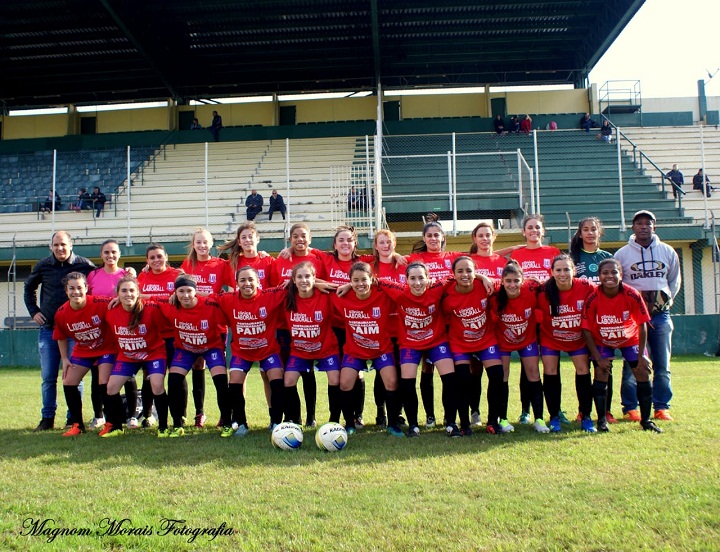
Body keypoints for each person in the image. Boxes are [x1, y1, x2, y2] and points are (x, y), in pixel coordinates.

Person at [376, 262, 460, 437]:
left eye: (421, 277)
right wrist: (347, 285)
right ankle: (413, 425)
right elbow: (375, 280)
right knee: (407, 383)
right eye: (412, 278)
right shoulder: (399, 292)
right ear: (406, 280)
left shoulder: (436, 287)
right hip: (409, 343)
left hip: (437, 341)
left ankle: (451, 423)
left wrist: (482, 277)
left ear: (428, 278)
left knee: (451, 380)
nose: (417, 282)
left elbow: (459, 276)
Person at [24, 231, 95, 431]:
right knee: (48, 377)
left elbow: (101, 279)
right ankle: (47, 418)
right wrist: (33, 312)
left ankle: (73, 418)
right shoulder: (43, 265)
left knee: (74, 375)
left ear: (71, 245)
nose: (60, 248)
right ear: (51, 247)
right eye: (56, 245)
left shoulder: (84, 264)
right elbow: (28, 288)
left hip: (75, 331)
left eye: (63, 244)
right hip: (48, 329)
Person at [614, 210, 681, 422]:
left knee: (662, 364)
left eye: (648, 223)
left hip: (660, 315)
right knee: (632, 364)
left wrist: (666, 299)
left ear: (654, 226)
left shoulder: (667, 251)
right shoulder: (622, 254)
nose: (643, 227)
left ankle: (661, 407)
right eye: (639, 223)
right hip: (632, 318)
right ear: (633, 228)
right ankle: (631, 408)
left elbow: (673, 280)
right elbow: (617, 284)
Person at [582, 259, 661, 433]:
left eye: (614, 272)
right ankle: (602, 420)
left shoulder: (631, 294)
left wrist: (641, 355)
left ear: (621, 274)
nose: (610, 276)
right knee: (601, 372)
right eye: (605, 273)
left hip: (629, 339)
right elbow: (586, 329)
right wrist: (597, 357)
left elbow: (642, 324)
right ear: (599, 276)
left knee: (642, 371)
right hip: (602, 340)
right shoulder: (593, 297)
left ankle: (646, 421)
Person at [333, 262, 403, 436]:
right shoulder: (342, 295)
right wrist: (348, 285)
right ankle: (349, 424)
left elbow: (402, 288)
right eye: (355, 280)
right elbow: (317, 285)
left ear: (372, 279)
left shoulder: (383, 294)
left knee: (392, 382)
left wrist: (377, 281)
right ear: (349, 281)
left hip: (382, 349)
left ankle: (393, 424)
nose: (360, 284)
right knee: (344, 383)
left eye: (364, 279)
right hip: (354, 350)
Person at [216, 266, 287, 435]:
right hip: (242, 352)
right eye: (242, 280)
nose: (247, 283)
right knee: (234, 382)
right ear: (237, 283)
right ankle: (241, 424)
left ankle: (276, 422)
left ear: (258, 282)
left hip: (268, 350)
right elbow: (202, 297)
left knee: (277, 380)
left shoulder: (270, 295)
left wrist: (319, 283)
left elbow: (298, 284)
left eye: (250, 279)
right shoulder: (228, 299)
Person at [159, 275, 232, 438]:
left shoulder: (209, 305)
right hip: (185, 349)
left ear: (196, 291)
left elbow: (229, 303)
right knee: (173, 381)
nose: (185, 295)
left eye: (189, 291)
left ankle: (227, 423)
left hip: (211, 347)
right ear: (175, 292)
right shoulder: (168, 304)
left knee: (220, 381)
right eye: (181, 291)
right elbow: (142, 299)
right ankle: (177, 424)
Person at [441, 256, 505, 435]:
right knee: (462, 380)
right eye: (460, 271)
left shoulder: (485, 287)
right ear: (453, 274)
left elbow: (511, 281)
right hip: (460, 343)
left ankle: (493, 421)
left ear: (475, 272)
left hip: (486, 340)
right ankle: (464, 424)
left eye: (469, 270)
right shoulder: (447, 294)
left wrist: (483, 278)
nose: (465, 274)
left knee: (497, 375)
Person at [102, 276, 169, 438]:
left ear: (138, 293)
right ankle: (116, 427)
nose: (128, 294)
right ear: (117, 294)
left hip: (153, 354)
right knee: (111, 388)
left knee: (157, 386)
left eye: (132, 290)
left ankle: (164, 427)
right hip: (128, 356)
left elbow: (168, 300)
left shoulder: (151, 308)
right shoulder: (111, 311)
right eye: (123, 291)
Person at [180, 228, 234, 428]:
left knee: (218, 371)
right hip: (192, 325)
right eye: (198, 242)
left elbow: (232, 288)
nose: (202, 246)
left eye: (205, 242)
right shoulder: (187, 265)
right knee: (197, 367)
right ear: (193, 244)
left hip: (215, 324)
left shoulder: (221, 264)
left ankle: (224, 415)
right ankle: (199, 413)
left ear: (211, 244)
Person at [536, 255, 596, 433]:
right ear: (552, 272)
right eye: (558, 270)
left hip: (577, 339)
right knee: (550, 372)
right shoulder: (543, 291)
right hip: (550, 338)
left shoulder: (585, 287)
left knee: (583, 371)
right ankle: (554, 417)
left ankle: (585, 416)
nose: (562, 274)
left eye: (566, 269)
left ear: (574, 271)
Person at [53, 272, 116, 437]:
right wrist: (65, 359)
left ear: (86, 288)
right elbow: (60, 337)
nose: (76, 292)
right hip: (83, 350)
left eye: (80, 288)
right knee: (69, 381)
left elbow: (122, 304)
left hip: (107, 348)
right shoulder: (61, 313)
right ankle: (77, 425)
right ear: (66, 291)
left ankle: (112, 424)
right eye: (71, 288)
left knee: (103, 382)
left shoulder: (101, 302)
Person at [491, 261, 549, 433]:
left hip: (527, 340)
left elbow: (546, 286)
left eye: (516, 281)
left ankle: (539, 419)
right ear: (502, 281)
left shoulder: (531, 291)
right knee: (503, 376)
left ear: (523, 281)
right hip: (503, 342)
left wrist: (538, 281)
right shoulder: (495, 295)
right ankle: (503, 419)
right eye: (508, 281)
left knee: (533, 374)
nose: (512, 285)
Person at [568, 217, 616, 423]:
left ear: (599, 232)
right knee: (583, 368)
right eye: (585, 230)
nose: (589, 233)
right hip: (579, 321)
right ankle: (583, 410)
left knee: (605, 365)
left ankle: (605, 411)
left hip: (604, 320)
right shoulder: (574, 258)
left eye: (593, 229)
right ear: (580, 234)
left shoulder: (607, 257)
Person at [86, 240, 138, 429]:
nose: (110, 256)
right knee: (98, 373)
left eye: (114, 252)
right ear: (101, 255)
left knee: (128, 372)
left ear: (119, 255)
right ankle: (99, 415)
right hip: (99, 331)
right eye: (106, 252)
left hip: (123, 330)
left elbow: (134, 297)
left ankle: (132, 415)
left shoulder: (127, 274)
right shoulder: (92, 275)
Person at [283, 261, 341, 426]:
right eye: (299, 277)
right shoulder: (287, 297)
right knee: (288, 381)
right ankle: (295, 420)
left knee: (335, 379)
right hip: (299, 351)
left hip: (327, 349)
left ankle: (334, 421)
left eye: (308, 276)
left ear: (314, 278)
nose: (304, 280)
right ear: (293, 280)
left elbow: (343, 288)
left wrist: (318, 283)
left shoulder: (325, 295)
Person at [136, 243, 183, 427]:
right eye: (152, 257)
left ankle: (181, 414)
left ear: (166, 257)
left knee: (176, 375)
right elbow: (137, 298)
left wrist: (150, 297)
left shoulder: (177, 275)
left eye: (159, 256)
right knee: (149, 375)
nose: (156, 260)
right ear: (147, 261)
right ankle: (147, 415)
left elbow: (185, 295)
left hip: (174, 332)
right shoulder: (143, 276)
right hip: (151, 334)